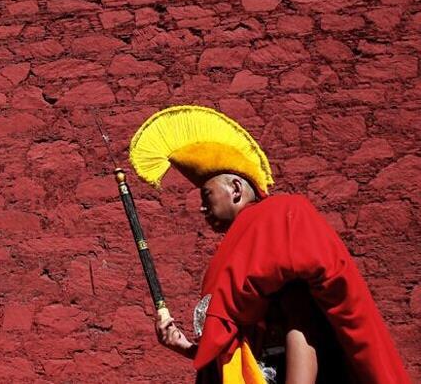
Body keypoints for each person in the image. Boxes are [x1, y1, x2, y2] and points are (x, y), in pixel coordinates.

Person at [128, 105, 410, 384]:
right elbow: (243, 350)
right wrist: (184, 348)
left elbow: (300, 317)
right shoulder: (242, 240)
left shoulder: (276, 218)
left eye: (207, 195)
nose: (202, 208)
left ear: (236, 190)